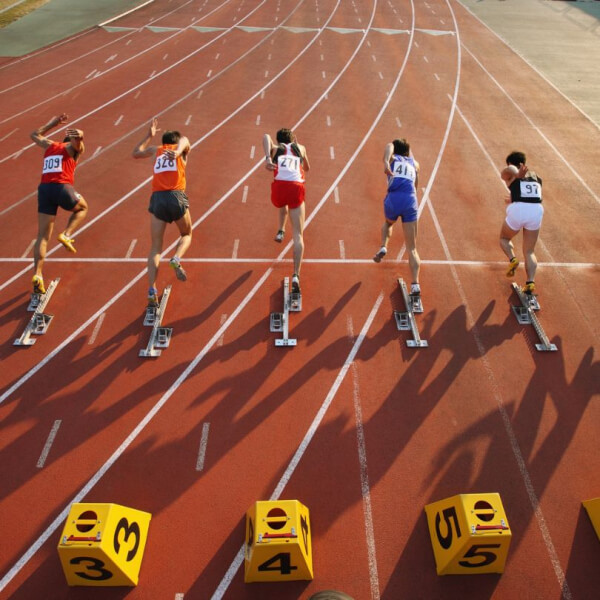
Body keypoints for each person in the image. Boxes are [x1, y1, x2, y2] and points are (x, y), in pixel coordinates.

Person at [133, 118, 192, 307]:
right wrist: (177, 151)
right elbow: (186, 140)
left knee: (156, 247)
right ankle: (176, 258)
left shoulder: (155, 151)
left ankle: (152, 289)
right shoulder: (181, 153)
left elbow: (135, 153)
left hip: (157, 198)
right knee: (186, 233)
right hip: (176, 196)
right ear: (176, 143)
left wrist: (148, 136)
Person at [30, 113, 88, 294]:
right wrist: (78, 134)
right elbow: (79, 141)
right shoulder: (72, 148)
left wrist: (52, 123)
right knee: (83, 208)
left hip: (44, 190)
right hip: (62, 187)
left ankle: (37, 274)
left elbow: (34, 135)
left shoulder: (50, 145)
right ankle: (66, 234)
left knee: (43, 237)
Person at [263, 128, 310, 294]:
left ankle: (280, 231)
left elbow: (266, 136)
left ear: (279, 140)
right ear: (293, 139)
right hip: (296, 189)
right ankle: (296, 274)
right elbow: (307, 168)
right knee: (298, 235)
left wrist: (268, 158)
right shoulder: (301, 148)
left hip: (279, 190)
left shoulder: (276, 149)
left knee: (282, 201)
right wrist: (299, 151)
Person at [373, 138, 421, 296]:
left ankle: (383, 246)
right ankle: (415, 285)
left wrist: (386, 161)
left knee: (388, 224)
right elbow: (416, 185)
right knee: (412, 248)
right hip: (410, 200)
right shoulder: (414, 164)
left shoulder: (393, 158)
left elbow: (389, 145)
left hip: (394, 199)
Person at [499, 151, 543, 295]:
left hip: (519, 209)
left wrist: (515, 176)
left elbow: (503, 174)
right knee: (529, 251)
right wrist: (513, 196)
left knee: (504, 238)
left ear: (511, 163)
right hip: (536, 211)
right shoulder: (537, 177)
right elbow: (531, 196)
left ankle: (513, 259)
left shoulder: (512, 169)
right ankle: (530, 282)